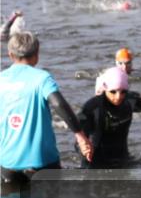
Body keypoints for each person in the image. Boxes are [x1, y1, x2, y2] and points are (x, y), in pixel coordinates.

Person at [0, 32, 93, 183]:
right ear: (37, 54)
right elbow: (58, 103)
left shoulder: (1, 79)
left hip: (8, 163)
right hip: (42, 162)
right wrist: (80, 135)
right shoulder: (42, 78)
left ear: (10, 55)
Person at [79, 67, 141, 168]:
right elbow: (79, 138)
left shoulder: (130, 100)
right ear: (105, 89)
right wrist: (84, 151)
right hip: (97, 162)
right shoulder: (93, 107)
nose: (118, 97)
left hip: (122, 158)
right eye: (113, 92)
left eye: (123, 92)